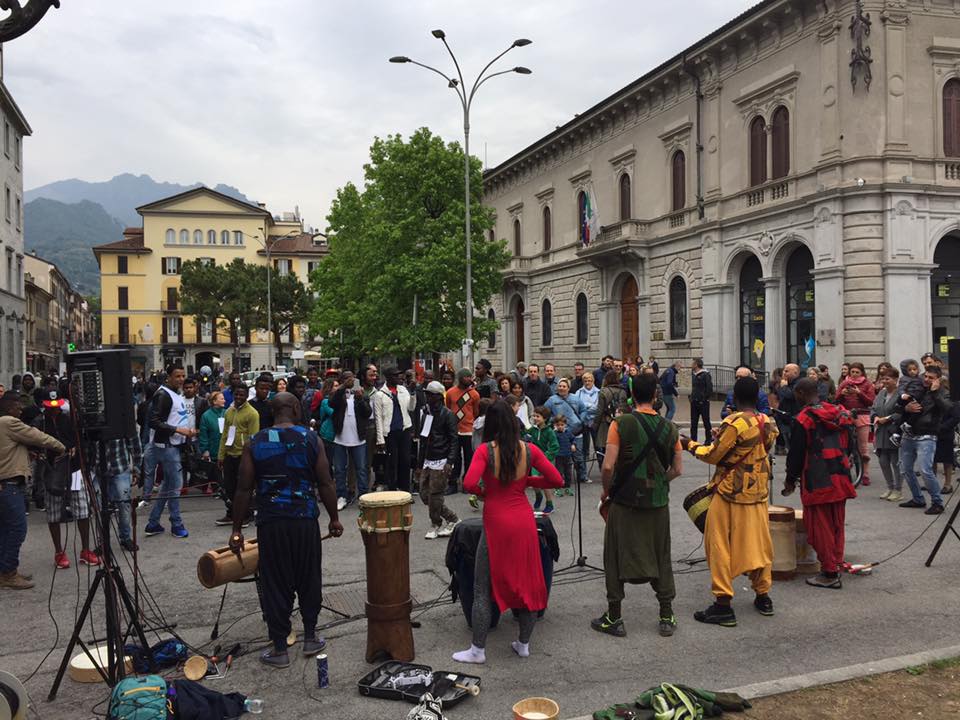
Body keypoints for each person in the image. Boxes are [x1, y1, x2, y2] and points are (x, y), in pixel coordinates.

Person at [228, 392, 343, 668]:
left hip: (272, 522)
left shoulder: (256, 442)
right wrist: (334, 519)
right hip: (304, 521)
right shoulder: (310, 439)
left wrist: (236, 530)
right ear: (294, 407)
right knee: (308, 576)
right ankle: (311, 637)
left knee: (275, 583)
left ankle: (280, 648)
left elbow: (243, 489)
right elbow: (326, 483)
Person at [453, 401, 563, 664]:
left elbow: (468, 483)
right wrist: (527, 482)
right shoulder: (529, 449)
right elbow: (557, 480)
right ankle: (523, 643)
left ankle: (478, 650)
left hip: (497, 521)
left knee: (482, 587)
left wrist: (485, 491)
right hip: (523, 519)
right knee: (526, 582)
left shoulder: (485, 451)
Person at [592, 373, 682, 639]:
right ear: (655, 396)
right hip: (657, 504)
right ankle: (666, 615)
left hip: (625, 500)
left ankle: (614, 617)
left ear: (631, 396)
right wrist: (658, 482)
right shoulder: (670, 428)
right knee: (660, 555)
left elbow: (608, 465)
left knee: (616, 555)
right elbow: (677, 469)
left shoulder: (621, 423)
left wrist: (607, 489)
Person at [682, 377, 778, 626]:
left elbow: (714, 455)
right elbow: (759, 448)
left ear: (735, 397)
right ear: (757, 397)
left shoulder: (733, 422)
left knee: (719, 546)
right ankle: (763, 596)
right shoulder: (767, 421)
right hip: (757, 492)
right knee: (760, 545)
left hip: (729, 493)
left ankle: (723, 603)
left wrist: (689, 445)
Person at [784, 378, 857, 589]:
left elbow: (796, 455)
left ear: (799, 393)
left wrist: (790, 480)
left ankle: (829, 572)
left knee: (820, 527)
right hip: (840, 473)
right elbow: (850, 443)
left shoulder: (804, 418)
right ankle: (835, 562)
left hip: (818, 478)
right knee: (836, 524)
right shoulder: (839, 412)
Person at [0, 393, 65, 589]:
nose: (21, 410)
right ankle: (9, 572)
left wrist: (26, 452)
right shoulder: (9, 422)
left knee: (4, 530)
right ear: (8, 407)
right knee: (18, 529)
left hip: (5, 484)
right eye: (17, 406)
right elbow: (37, 436)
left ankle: (4, 571)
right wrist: (60, 447)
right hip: (10, 485)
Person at [33, 390, 100, 569]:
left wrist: (76, 450)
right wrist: (38, 454)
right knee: (54, 511)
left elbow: (84, 440)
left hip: (74, 470)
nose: (55, 410)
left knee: (82, 508)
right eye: (50, 407)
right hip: (52, 471)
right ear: (44, 406)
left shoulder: (69, 418)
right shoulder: (39, 422)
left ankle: (85, 550)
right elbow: (31, 445)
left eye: (57, 407)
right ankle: (58, 552)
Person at [897, 365, 952, 515]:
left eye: (931, 378)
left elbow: (948, 409)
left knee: (925, 470)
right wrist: (906, 408)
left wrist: (935, 393)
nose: (926, 380)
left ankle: (937, 502)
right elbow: (901, 404)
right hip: (909, 435)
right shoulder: (919, 389)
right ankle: (918, 498)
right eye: (925, 376)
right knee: (905, 469)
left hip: (927, 436)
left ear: (938, 380)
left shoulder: (943, 392)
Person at [86, 432, 143, 553]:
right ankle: (103, 542)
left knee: (124, 504)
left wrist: (136, 469)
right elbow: (87, 446)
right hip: (98, 470)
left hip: (120, 469)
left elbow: (135, 445)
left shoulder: (121, 419)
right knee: (99, 508)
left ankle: (125, 538)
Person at [416, 381, 460, 539]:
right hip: (428, 459)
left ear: (438, 397)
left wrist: (450, 461)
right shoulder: (426, 414)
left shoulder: (448, 415)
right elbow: (423, 439)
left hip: (441, 459)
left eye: (429, 394)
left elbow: (454, 440)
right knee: (423, 493)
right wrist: (419, 464)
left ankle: (435, 524)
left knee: (435, 494)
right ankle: (452, 518)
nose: (426, 397)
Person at [215, 383, 260, 527]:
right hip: (229, 454)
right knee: (229, 486)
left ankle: (245, 515)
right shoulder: (229, 412)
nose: (239, 397)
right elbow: (224, 435)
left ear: (247, 396)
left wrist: (250, 458)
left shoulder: (252, 413)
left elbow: (253, 438)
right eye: (236, 394)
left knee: (243, 487)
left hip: (243, 455)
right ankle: (231, 514)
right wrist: (221, 455)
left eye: (242, 395)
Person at [330, 371, 371, 509]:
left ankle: (363, 496)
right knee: (340, 469)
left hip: (358, 438)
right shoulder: (338, 393)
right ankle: (341, 496)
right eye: (346, 378)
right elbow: (332, 404)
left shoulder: (361, 393)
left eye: (352, 377)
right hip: (340, 437)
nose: (350, 380)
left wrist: (360, 398)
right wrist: (341, 389)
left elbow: (367, 413)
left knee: (361, 469)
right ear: (342, 380)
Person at [373, 367, 415, 492]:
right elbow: (378, 418)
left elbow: (411, 408)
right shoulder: (380, 394)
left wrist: (412, 393)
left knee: (406, 461)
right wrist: (380, 439)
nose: (398, 378)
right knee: (392, 462)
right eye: (395, 376)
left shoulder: (403, 390)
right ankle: (392, 489)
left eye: (399, 375)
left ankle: (405, 489)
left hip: (404, 429)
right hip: (390, 432)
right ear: (388, 377)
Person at [835, 362, 876, 486]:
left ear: (862, 372)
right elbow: (836, 400)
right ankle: (847, 468)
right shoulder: (844, 383)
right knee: (846, 444)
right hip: (846, 416)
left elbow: (870, 401)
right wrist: (842, 394)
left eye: (857, 372)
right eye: (852, 372)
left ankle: (865, 474)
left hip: (862, 415)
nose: (854, 374)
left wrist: (859, 393)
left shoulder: (867, 384)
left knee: (863, 446)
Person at [445, 369, 481, 494]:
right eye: (466, 377)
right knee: (455, 458)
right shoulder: (450, 393)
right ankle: (453, 483)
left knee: (469, 458)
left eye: (470, 377)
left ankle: (467, 483)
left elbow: (476, 412)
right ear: (460, 378)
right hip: (454, 430)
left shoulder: (474, 394)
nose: (469, 379)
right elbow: (448, 409)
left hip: (468, 430)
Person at [544, 378, 586, 484]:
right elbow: (545, 413)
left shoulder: (576, 399)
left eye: (564, 386)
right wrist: (551, 424)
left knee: (578, 455)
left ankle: (582, 476)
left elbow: (583, 410)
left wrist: (581, 420)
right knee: (560, 458)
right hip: (559, 433)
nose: (561, 388)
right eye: (560, 386)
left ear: (568, 388)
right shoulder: (551, 400)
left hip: (576, 432)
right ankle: (560, 478)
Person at [871, 367, 903, 502]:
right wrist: (874, 417)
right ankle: (889, 487)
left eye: (888, 379)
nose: (885, 381)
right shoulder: (881, 393)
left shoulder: (901, 394)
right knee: (883, 461)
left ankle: (898, 490)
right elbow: (873, 408)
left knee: (896, 462)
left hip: (893, 431)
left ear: (896, 380)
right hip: (881, 432)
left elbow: (902, 411)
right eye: (883, 378)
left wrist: (889, 418)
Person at [524, 406, 558, 513]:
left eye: (538, 416)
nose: (535, 418)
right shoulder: (533, 430)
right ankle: (538, 495)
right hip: (535, 459)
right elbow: (524, 433)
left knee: (545, 482)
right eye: (534, 415)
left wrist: (547, 456)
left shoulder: (549, 432)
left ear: (545, 418)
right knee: (534, 479)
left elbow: (555, 446)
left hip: (545, 460)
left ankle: (549, 504)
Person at [595, 370, 629, 463]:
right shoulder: (623, 391)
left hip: (605, 424)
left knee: (607, 450)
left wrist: (595, 426)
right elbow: (625, 409)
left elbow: (599, 411)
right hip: (620, 423)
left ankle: (607, 471)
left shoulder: (603, 392)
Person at [574, 371, 599, 471]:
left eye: (589, 380)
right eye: (585, 381)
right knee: (583, 448)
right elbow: (577, 407)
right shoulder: (578, 392)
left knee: (599, 447)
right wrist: (589, 407)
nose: (587, 382)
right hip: (583, 423)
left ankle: (603, 470)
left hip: (595, 422)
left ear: (593, 381)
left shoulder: (599, 392)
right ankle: (583, 472)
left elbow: (598, 408)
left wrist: (585, 407)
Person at [689, 358, 713, 442]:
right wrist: (691, 398)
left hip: (703, 402)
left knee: (706, 422)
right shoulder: (693, 374)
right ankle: (693, 441)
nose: (691, 365)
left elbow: (709, 388)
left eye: (693, 363)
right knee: (693, 423)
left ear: (696, 364)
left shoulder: (705, 374)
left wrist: (704, 398)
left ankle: (708, 440)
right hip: (694, 401)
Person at [553, 414, 576, 496]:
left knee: (568, 473)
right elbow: (552, 442)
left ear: (565, 425)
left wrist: (573, 444)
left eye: (562, 425)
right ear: (555, 425)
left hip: (568, 455)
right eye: (558, 425)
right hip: (559, 456)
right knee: (559, 473)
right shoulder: (554, 434)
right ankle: (557, 488)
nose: (560, 427)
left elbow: (573, 439)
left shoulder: (568, 432)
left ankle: (567, 487)